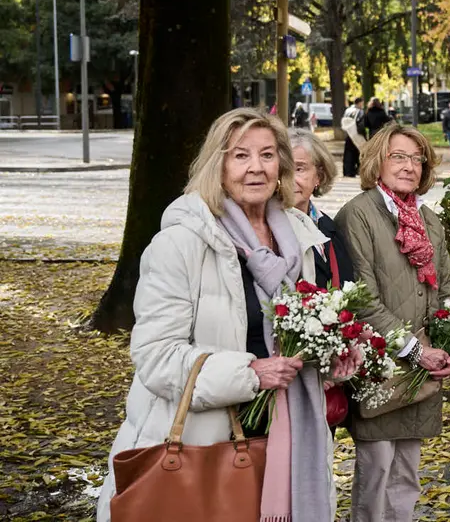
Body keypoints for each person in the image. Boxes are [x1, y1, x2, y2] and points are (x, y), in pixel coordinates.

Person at [96, 108, 334, 522]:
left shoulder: (298, 238)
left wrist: (331, 356)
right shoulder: (181, 243)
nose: (255, 168)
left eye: (266, 155)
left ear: (281, 163)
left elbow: (298, 333)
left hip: (285, 440)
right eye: (240, 156)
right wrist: (250, 374)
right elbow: (156, 357)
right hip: (199, 445)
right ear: (218, 164)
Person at [335, 123, 450, 522]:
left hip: (421, 367)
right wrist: (416, 350)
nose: (409, 166)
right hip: (379, 364)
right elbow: (362, 298)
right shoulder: (358, 215)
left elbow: (445, 289)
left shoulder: (428, 220)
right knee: (377, 468)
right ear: (377, 161)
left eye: (417, 159)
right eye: (398, 157)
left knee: (407, 472)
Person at [290, 129, 355, 289]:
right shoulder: (264, 229)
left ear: (319, 176)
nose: (290, 180)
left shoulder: (328, 226)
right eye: (282, 170)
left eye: (299, 169)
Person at [342, 97, 367, 178]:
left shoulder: (348, 110)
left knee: (348, 154)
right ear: (359, 103)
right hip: (356, 135)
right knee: (358, 153)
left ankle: (347, 171)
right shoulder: (360, 112)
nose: (362, 105)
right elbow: (361, 124)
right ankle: (355, 170)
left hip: (348, 134)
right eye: (362, 103)